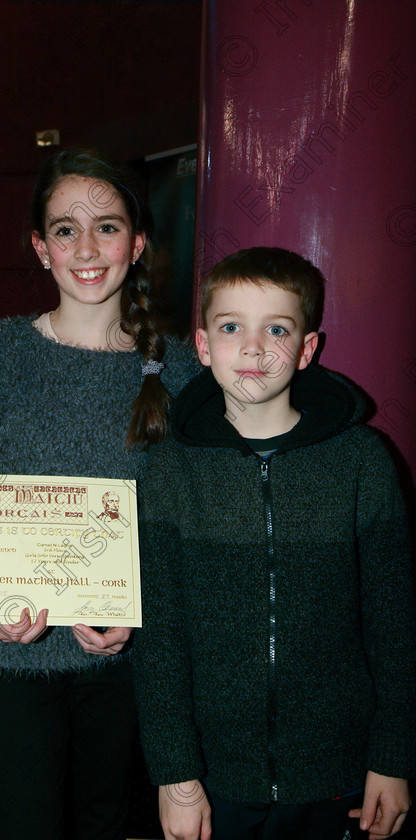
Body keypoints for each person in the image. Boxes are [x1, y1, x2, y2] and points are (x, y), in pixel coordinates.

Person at [0, 147, 199, 840]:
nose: (87, 247)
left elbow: (190, 519)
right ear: (41, 248)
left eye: (107, 226)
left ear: (138, 242)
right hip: (16, 654)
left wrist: (140, 609)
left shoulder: (180, 369)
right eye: (65, 229)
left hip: (130, 661)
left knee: (107, 824)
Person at [133, 247, 416, 840]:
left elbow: (394, 621)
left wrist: (392, 758)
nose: (254, 348)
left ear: (308, 348)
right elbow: (160, 638)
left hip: (340, 770)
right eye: (232, 327)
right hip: (214, 780)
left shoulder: (362, 461)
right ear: (204, 345)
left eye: (277, 329)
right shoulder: (168, 472)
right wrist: (176, 777)